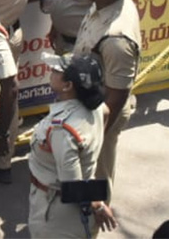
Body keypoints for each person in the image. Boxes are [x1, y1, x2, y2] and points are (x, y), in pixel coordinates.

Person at [71, 0, 141, 196]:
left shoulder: (116, 39)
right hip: (86, 105)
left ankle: (90, 225)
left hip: (99, 114)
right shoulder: (104, 3)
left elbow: (117, 94)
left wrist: (97, 133)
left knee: (95, 175)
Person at [28, 53, 117, 237]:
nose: (50, 72)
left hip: (56, 211)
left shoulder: (64, 129)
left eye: (55, 70)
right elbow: (107, 112)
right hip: (79, 189)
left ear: (68, 86)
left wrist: (98, 206)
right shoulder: (95, 105)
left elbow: (73, 185)